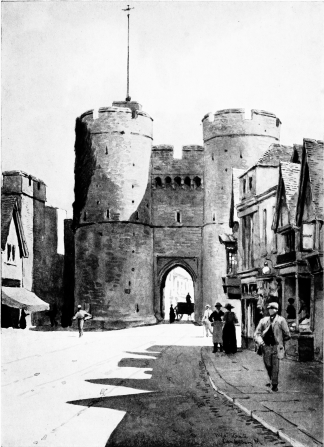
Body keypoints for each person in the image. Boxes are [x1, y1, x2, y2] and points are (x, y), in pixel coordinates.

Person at [254, 302, 291, 392]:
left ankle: (274, 384)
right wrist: (261, 342)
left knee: (275, 365)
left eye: (273, 308)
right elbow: (256, 334)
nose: (271, 310)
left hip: (276, 346)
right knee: (268, 364)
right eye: (269, 308)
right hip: (266, 346)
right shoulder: (263, 320)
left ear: (277, 310)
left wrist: (280, 341)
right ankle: (271, 378)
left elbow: (287, 334)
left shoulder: (281, 320)